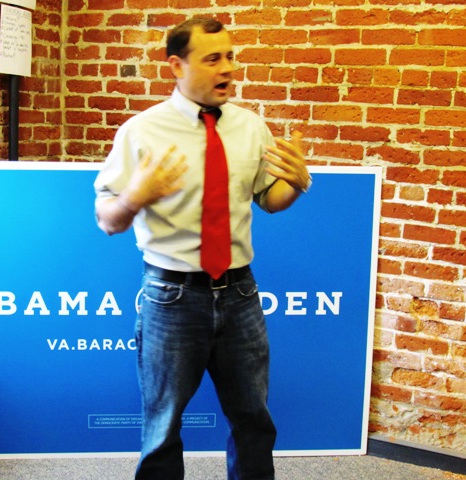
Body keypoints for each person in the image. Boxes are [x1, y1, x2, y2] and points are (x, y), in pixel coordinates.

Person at [94, 17, 311, 480]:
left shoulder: (251, 127)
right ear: (176, 65)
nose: (228, 69)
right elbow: (106, 220)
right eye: (213, 59)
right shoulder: (141, 131)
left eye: (231, 56)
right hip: (171, 297)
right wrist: (136, 196)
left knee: (253, 420)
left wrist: (297, 184)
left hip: (240, 295)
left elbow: (270, 201)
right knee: (162, 427)